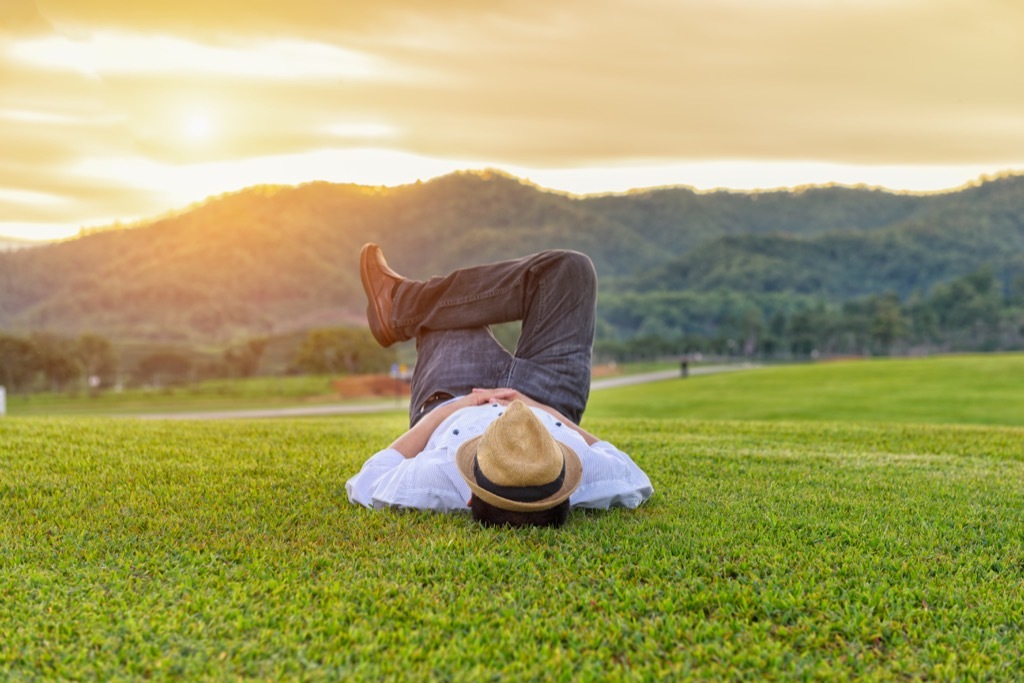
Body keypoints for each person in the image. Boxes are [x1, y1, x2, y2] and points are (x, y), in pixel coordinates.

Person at [345, 244, 653, 527]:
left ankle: (399, 304)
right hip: (544, 398)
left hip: (456, 396)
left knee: (447, 319)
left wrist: (455, 407)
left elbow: (368, 478)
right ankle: (401, 304)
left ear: (468, 494)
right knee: (571, 270)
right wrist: (535, 406)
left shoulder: (435, 478)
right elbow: (629, 469)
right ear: (568, 492)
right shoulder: (594, 478)